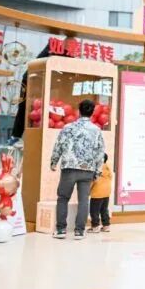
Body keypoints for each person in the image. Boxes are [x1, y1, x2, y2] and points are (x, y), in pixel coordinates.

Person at [50, 99, 106, 240]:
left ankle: (61, 230)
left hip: (69, 168)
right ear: (92, 113)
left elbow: (59, 145)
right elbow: (100, 152)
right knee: (83, 201)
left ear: (78, 111)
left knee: (63, 198)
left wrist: (54, 161)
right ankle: (79, 231)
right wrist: (98, 171)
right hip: (87, 170)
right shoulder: (96, 130)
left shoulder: (68, 127)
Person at [88, 153, 112, 233]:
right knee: (104, 210)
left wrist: (88, 190)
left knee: (94, 211)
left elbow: (93, 181)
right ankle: (106, 226)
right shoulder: (108, 168)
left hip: (97, 193)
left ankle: (95, 227)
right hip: (106, 193)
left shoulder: (97, 169)